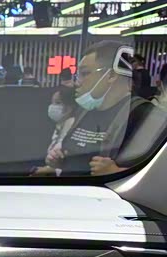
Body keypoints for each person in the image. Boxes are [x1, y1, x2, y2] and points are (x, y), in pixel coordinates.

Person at [43, 41, 156, 177]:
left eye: (85, 73)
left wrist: (116, 173)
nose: (77, 82)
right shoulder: (85, 110)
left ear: (111, 76)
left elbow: (158, 174)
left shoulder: (145, 116)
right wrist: (59, 162)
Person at [32, 86, 77, 175]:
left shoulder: (72, 125)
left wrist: (52, 171)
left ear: (70, 107)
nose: (52, 106)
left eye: (58, 103)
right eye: (52, 102)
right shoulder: (60, 125)